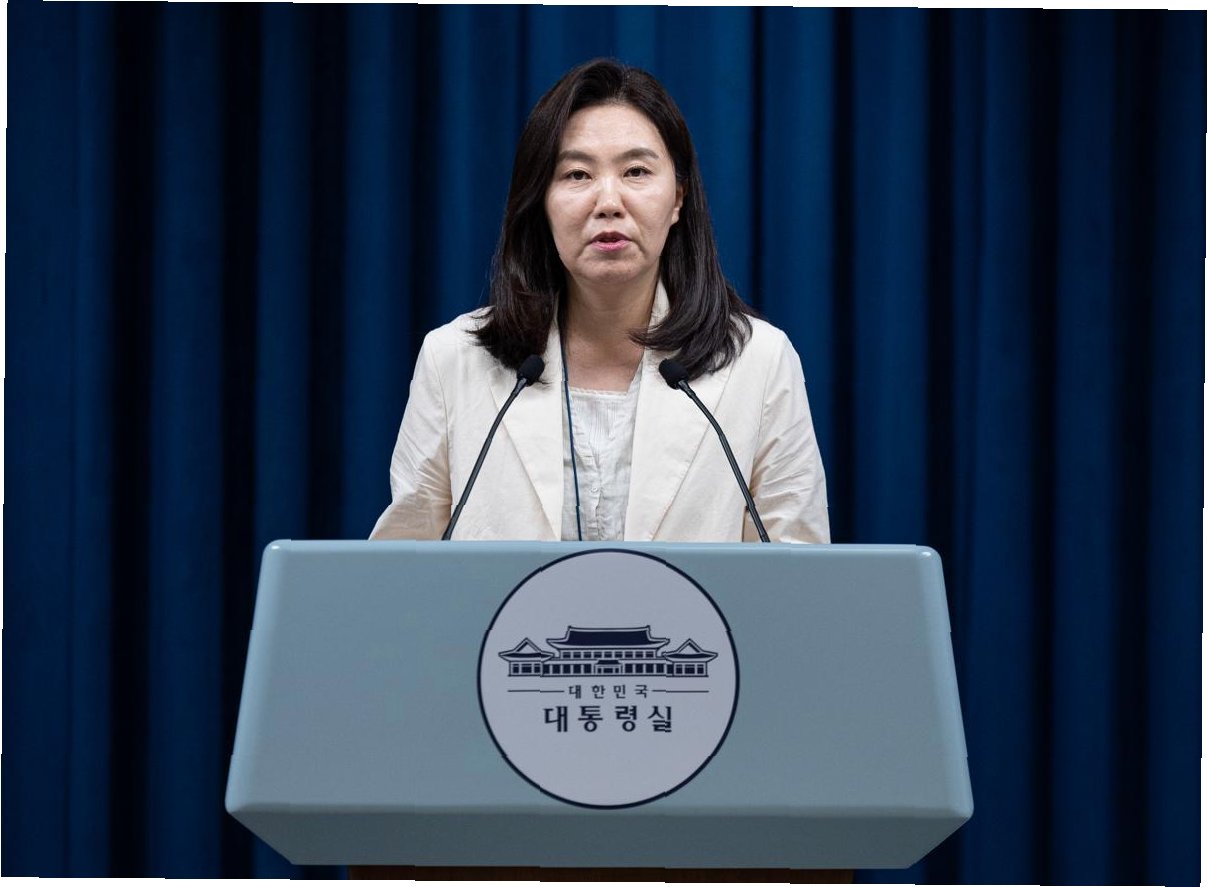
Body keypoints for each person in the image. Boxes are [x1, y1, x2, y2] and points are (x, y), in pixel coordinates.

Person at [370, 58, 829, 545]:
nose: (608, 203)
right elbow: (402, 566)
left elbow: (798, 573)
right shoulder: (454, 360)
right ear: (540, 201)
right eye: (577, 175)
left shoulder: (759, 362)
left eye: (636, 171)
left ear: (678, 198)